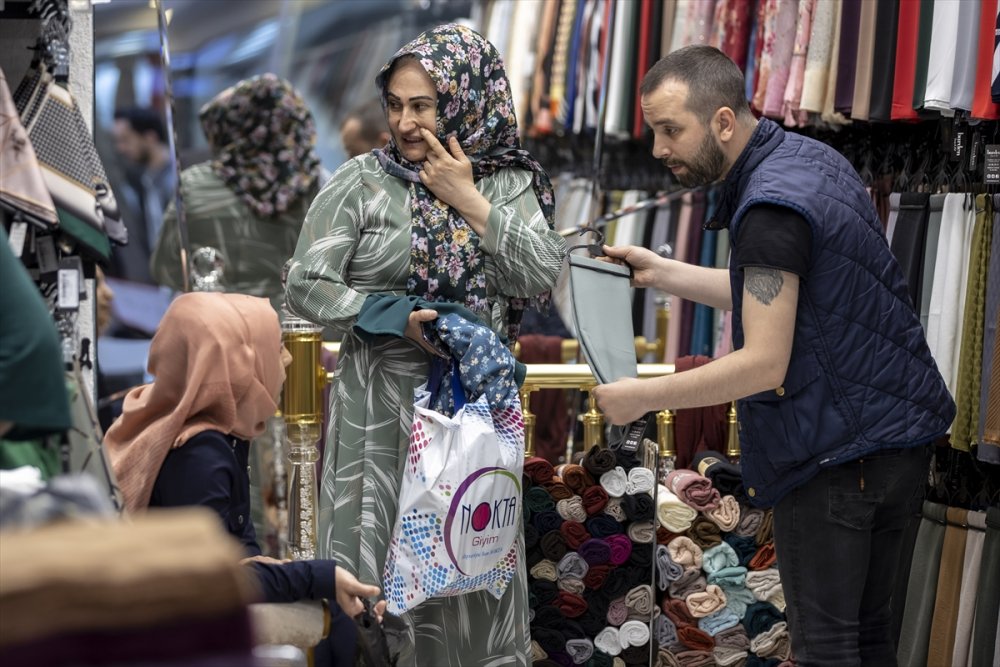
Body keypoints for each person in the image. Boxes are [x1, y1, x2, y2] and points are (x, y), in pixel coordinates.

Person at [592, 45, 955, 666]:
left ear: (724, 122)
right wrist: (664, 273)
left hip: (835, 458)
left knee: (827, 649)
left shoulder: (767, 208)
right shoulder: (808, 161)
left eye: (671, 130)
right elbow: (787, 296)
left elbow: (763, 361)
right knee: (870, 643)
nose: (658, 149)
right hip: (895, 444)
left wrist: (642, 396)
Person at [284, 23, 565, 667]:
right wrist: (388, 314)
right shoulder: (361, 181)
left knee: (468, 548)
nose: (406, 123)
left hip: (472, 420)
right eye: (395, 104)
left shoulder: (509, 184)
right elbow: (305, 284)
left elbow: (540, 274)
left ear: (467, 98)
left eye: (424, 104)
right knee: (378, 565)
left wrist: (467, 199)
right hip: (380, 417)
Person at [103, 292, 383, 623]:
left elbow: (241, 554)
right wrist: (320, 577)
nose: (289, 360)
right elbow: (215, 579)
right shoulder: (199, 455)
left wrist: (317, 581)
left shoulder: (218, 435)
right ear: (237, 365)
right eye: (276, 347)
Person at [150, 74, 324, 312]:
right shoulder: (322, 187)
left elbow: (165, 269)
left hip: (219, 333)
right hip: (301, 338)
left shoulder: (193, 185)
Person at [111, 108, 175, 284]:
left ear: (150, 137)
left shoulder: (174, 181)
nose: (121, 148)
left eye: (126, 140)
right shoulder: (147, 180)